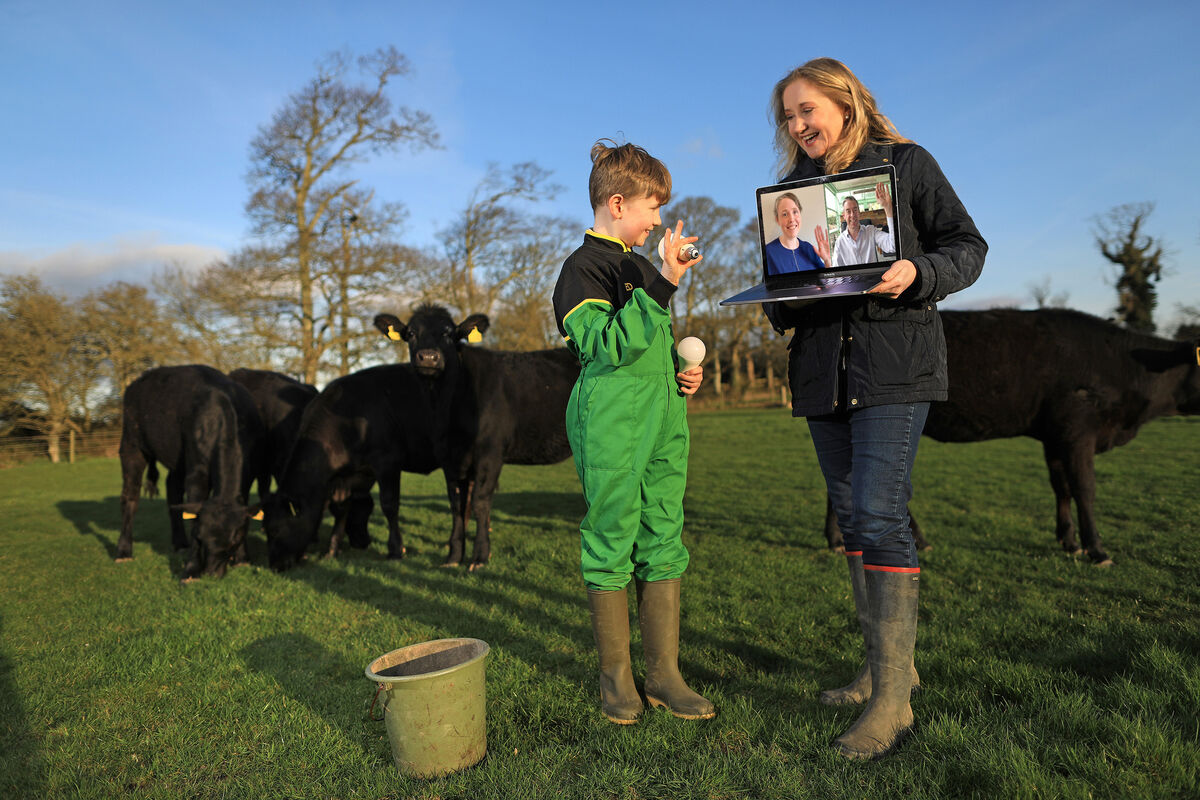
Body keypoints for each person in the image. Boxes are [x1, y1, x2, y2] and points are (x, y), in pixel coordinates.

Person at [764, 58, 986, 759]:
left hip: (895, 365)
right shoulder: (790, 197)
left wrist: (920, 272)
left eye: (808, 111)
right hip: (822, 374)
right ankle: (885, 668)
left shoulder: (907, 165)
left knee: (880, 512)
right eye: (788, 118)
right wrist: (781, 293)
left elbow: (968, 248)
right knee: (853, 516)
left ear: (846, 101)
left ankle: (893, 704)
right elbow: (783, 310)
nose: (799, 126)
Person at [552, 140, 715, 725]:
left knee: (664, 534)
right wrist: (667, 278)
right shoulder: (581, 270)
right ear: (617, 203)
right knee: (612, 536)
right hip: (612, 419)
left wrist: (681, 370)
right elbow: (607, 348)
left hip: (663, 416)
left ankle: (665, 676)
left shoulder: (641, 267)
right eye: (653, 207)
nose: (659, 220)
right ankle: (616, 680)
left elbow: (648, 345)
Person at [765, 192, 828, 274]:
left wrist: (827, 261)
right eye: (784, 214)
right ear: (778, 220)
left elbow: (825, 280)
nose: (791, 219)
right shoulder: (768, 252)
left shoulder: (809, 248)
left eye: (795, 212)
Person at [832, 185, 896, 266]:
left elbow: (892, 246)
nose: (852, 215)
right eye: (848, 211)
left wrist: (888, 208)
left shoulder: (871, 231)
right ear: (844, 216)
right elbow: (837, 270)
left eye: (855, 210)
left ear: (859, 213)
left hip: (872, 278)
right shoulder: (840, 242)